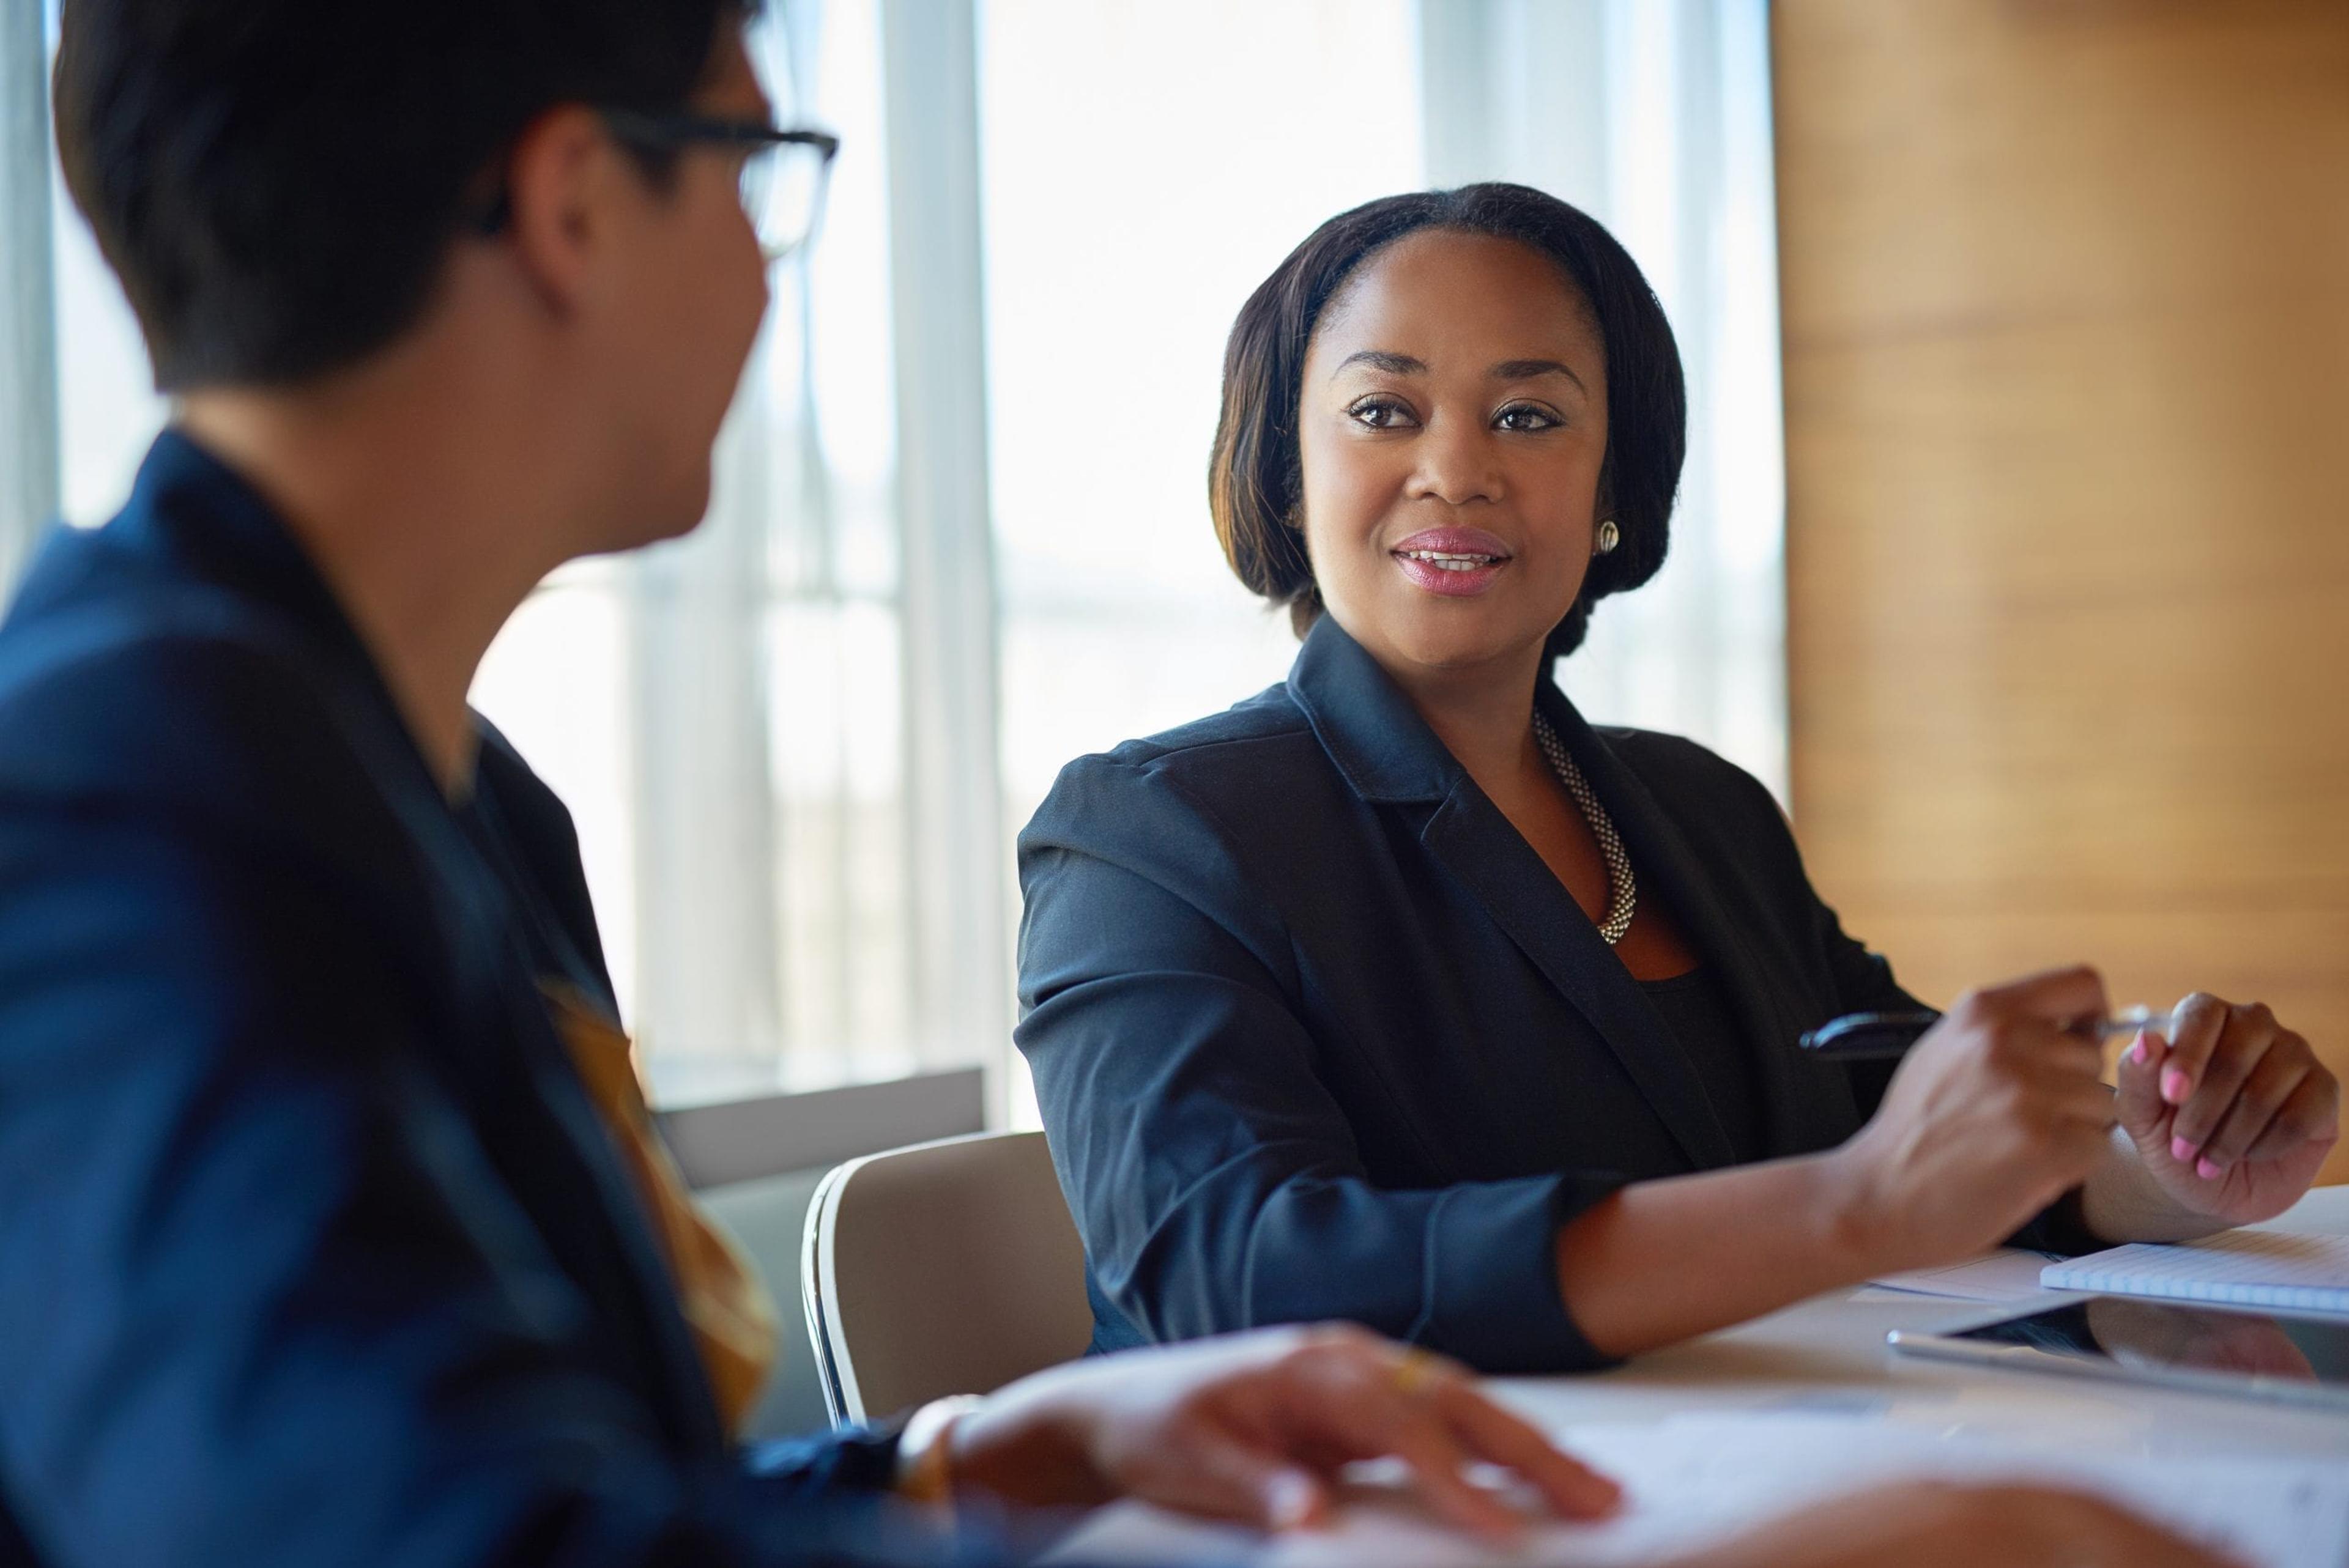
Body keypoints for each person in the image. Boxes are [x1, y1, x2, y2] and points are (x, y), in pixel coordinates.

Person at [0, 2, 2239, 1562]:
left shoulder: (451, 799)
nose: (775, 287)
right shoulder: (126, 806)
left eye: (1535, 415)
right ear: (580, 203)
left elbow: (563, 1492)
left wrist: (965, 1462)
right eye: (761, 168)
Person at [1015, 183, 2339, 1374]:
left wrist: (2165, 1167)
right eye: (1382, 410)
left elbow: (1926, 1141)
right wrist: (1853, 1205)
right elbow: (1230, 1279)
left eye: (1528, 415)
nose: (1456, 468)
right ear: (1289, 479)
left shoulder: (1699, 813)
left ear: (1609, 490)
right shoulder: (1148, 833)